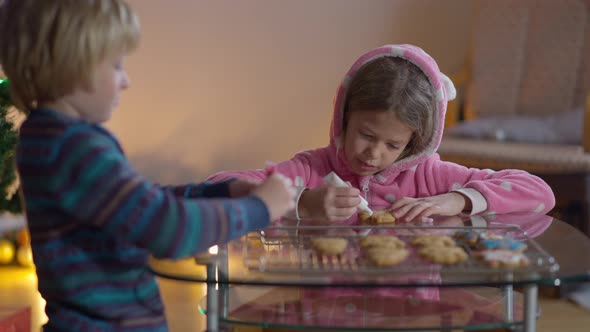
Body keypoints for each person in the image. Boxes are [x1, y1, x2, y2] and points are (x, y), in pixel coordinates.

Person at [0, 0, 294, 331]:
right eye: (116, 65)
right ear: (71, 64)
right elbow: (168, 229)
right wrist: (260, 208)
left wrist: (223, 191)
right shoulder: (75, 147)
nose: (126, 81)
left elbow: (141, 203)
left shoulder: (48, 138)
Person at [207, 44, 556, 224]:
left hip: (415, 315)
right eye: (366, 134)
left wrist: (457, 199)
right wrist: (301, 200)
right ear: (344, 118)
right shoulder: (313, 168)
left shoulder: (432, 177)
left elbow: (540, 193)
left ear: (416, 143)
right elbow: (216, 187)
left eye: (393, 145)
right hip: (328, 314)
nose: (374, 154)